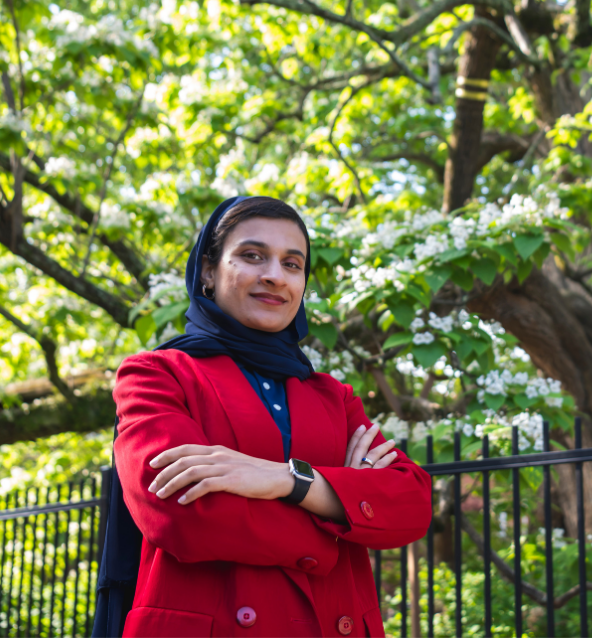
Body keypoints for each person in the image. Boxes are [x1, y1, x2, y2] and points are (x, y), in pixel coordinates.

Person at [100, 196, 432, 638]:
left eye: (292, 264)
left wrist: (286, 480)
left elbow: (410, 503)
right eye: (252, 256)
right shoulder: (158, 375)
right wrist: (336, 516)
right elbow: (181, 516)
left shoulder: (332, 396)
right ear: (208, 270)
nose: (275, 276)